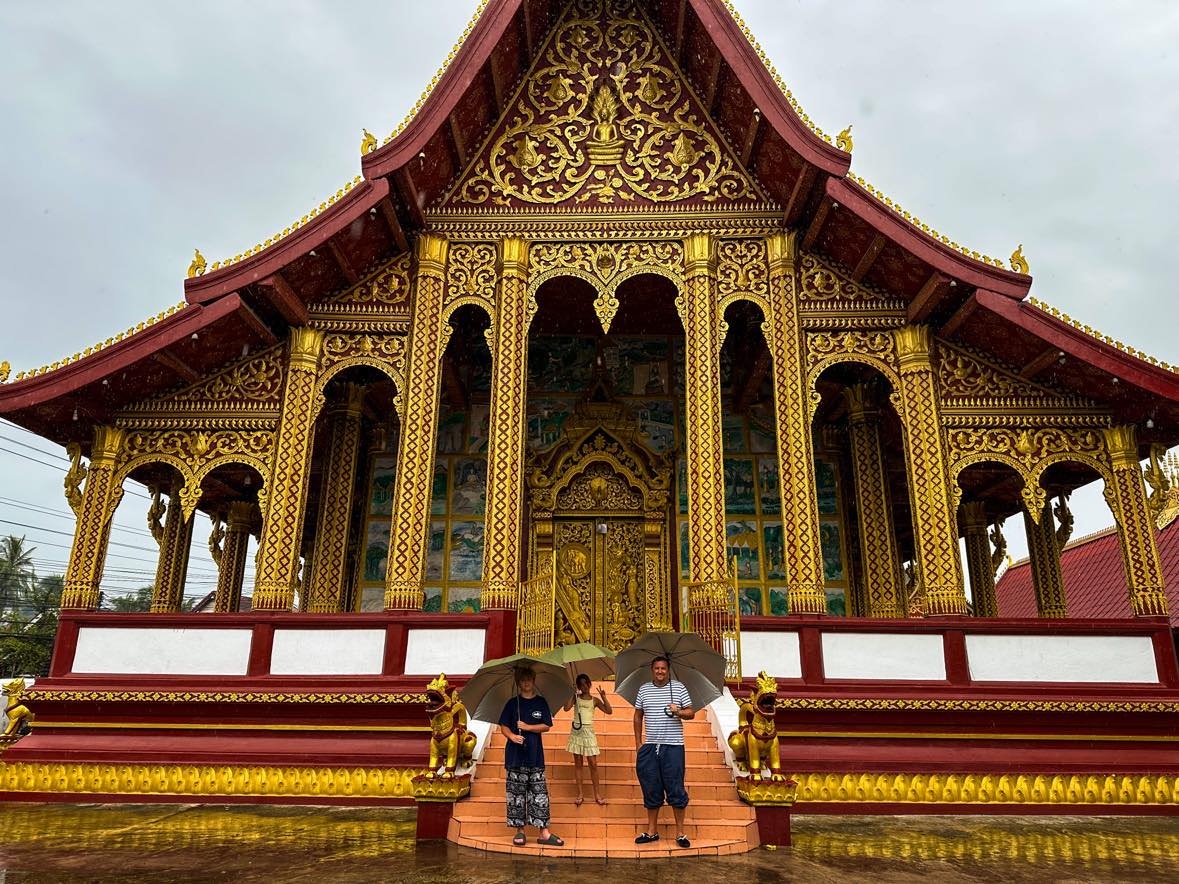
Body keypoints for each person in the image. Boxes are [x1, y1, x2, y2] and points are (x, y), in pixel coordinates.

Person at [632, 655, 694, 848]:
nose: (660, 672)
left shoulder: (679, 688)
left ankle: (680, 833)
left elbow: (691, 713)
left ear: (668, 670)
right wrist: (638, 744)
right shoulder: (644, 690)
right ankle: (652, 832)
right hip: (650, 746)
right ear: (652, 670)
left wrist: (678, 711)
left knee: (676, 787)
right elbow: (637, 716)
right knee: (651, 787)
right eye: (657, 668)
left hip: (673, 746)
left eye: (663, 669)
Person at [498, 667, 563, 846]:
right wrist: (512, 736)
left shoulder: (541, 702)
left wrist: (527, 727)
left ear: (534, 681)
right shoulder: (512, 704)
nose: (526, 683)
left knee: (539, 793)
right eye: (522, 680)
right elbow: (503, 726)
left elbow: (546, 726)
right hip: (515, 756)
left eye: (529, 679)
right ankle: (520, 832)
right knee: (517, 795)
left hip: (535, 756)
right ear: (518, 683)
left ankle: (544, 832)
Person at [562, 673, 613, 805]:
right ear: (578, 686)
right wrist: (571, 695)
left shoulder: (594, 700)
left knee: (593, 764)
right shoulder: (576, 698)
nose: (584, 686)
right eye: (581, 684)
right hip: (577, 731)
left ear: (590, 684)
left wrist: (604, 697)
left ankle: (597, 794)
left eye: (586, 684)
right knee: (578, 764)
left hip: (589, 732)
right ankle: (580, 794)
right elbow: (566, 708)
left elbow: (609, 711)